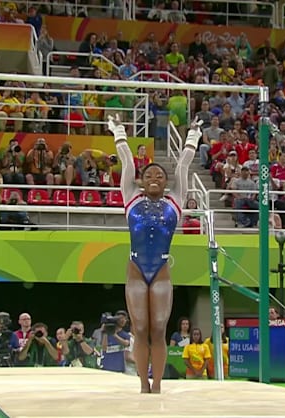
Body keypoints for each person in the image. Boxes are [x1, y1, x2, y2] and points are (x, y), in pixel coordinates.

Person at [108, 114, 201, 394]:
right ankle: (142, 385)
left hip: (160, 270)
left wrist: (193, 136)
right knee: (139, 329)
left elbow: (184, 165)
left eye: (160, 176)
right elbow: (126, 161)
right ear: (141, 180)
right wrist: (119, 131)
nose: (154, 179)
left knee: (159, 329)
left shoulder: (175, 200)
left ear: (166, 182)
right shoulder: (131, 198)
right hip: (136, 269)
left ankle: (157, 385)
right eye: (148, 175)